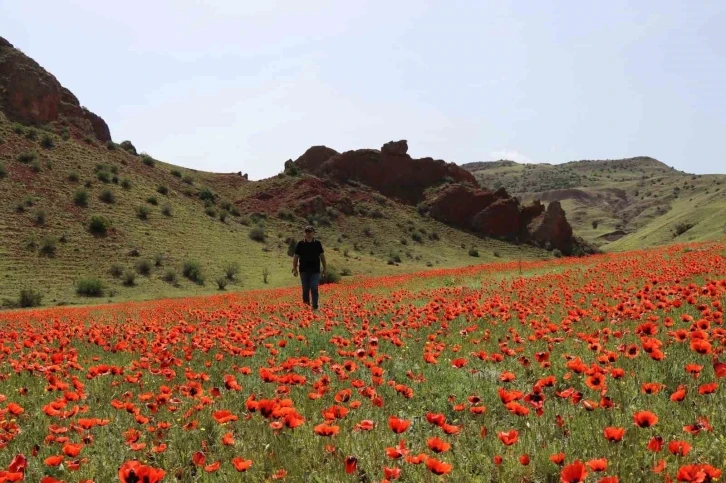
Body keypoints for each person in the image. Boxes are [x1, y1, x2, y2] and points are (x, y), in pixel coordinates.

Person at [292, 225, 326, 310]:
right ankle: (306, 308)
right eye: (307, 231)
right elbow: (296, 256)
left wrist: (325, 268)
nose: (308, 233)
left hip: (315, 270)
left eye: (310, 232)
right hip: (303, 270)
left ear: (313, 233)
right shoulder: (300, 244)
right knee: (305, 289)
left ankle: (315, 307)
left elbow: (322, 256)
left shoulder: (317, 243)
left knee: (314, 287)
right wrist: (295, 268)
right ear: (304, 233)